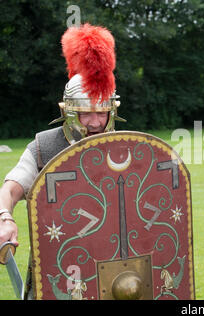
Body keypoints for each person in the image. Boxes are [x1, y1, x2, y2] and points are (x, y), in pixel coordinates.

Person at [0, 24, 125, 298]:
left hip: (118, 273)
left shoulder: (129, 149)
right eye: (85, 114)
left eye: (102, 114)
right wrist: (4, 217)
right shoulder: (44, 148)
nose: (95, 123)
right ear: (68, 112)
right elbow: (10, 188)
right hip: (62, 271)